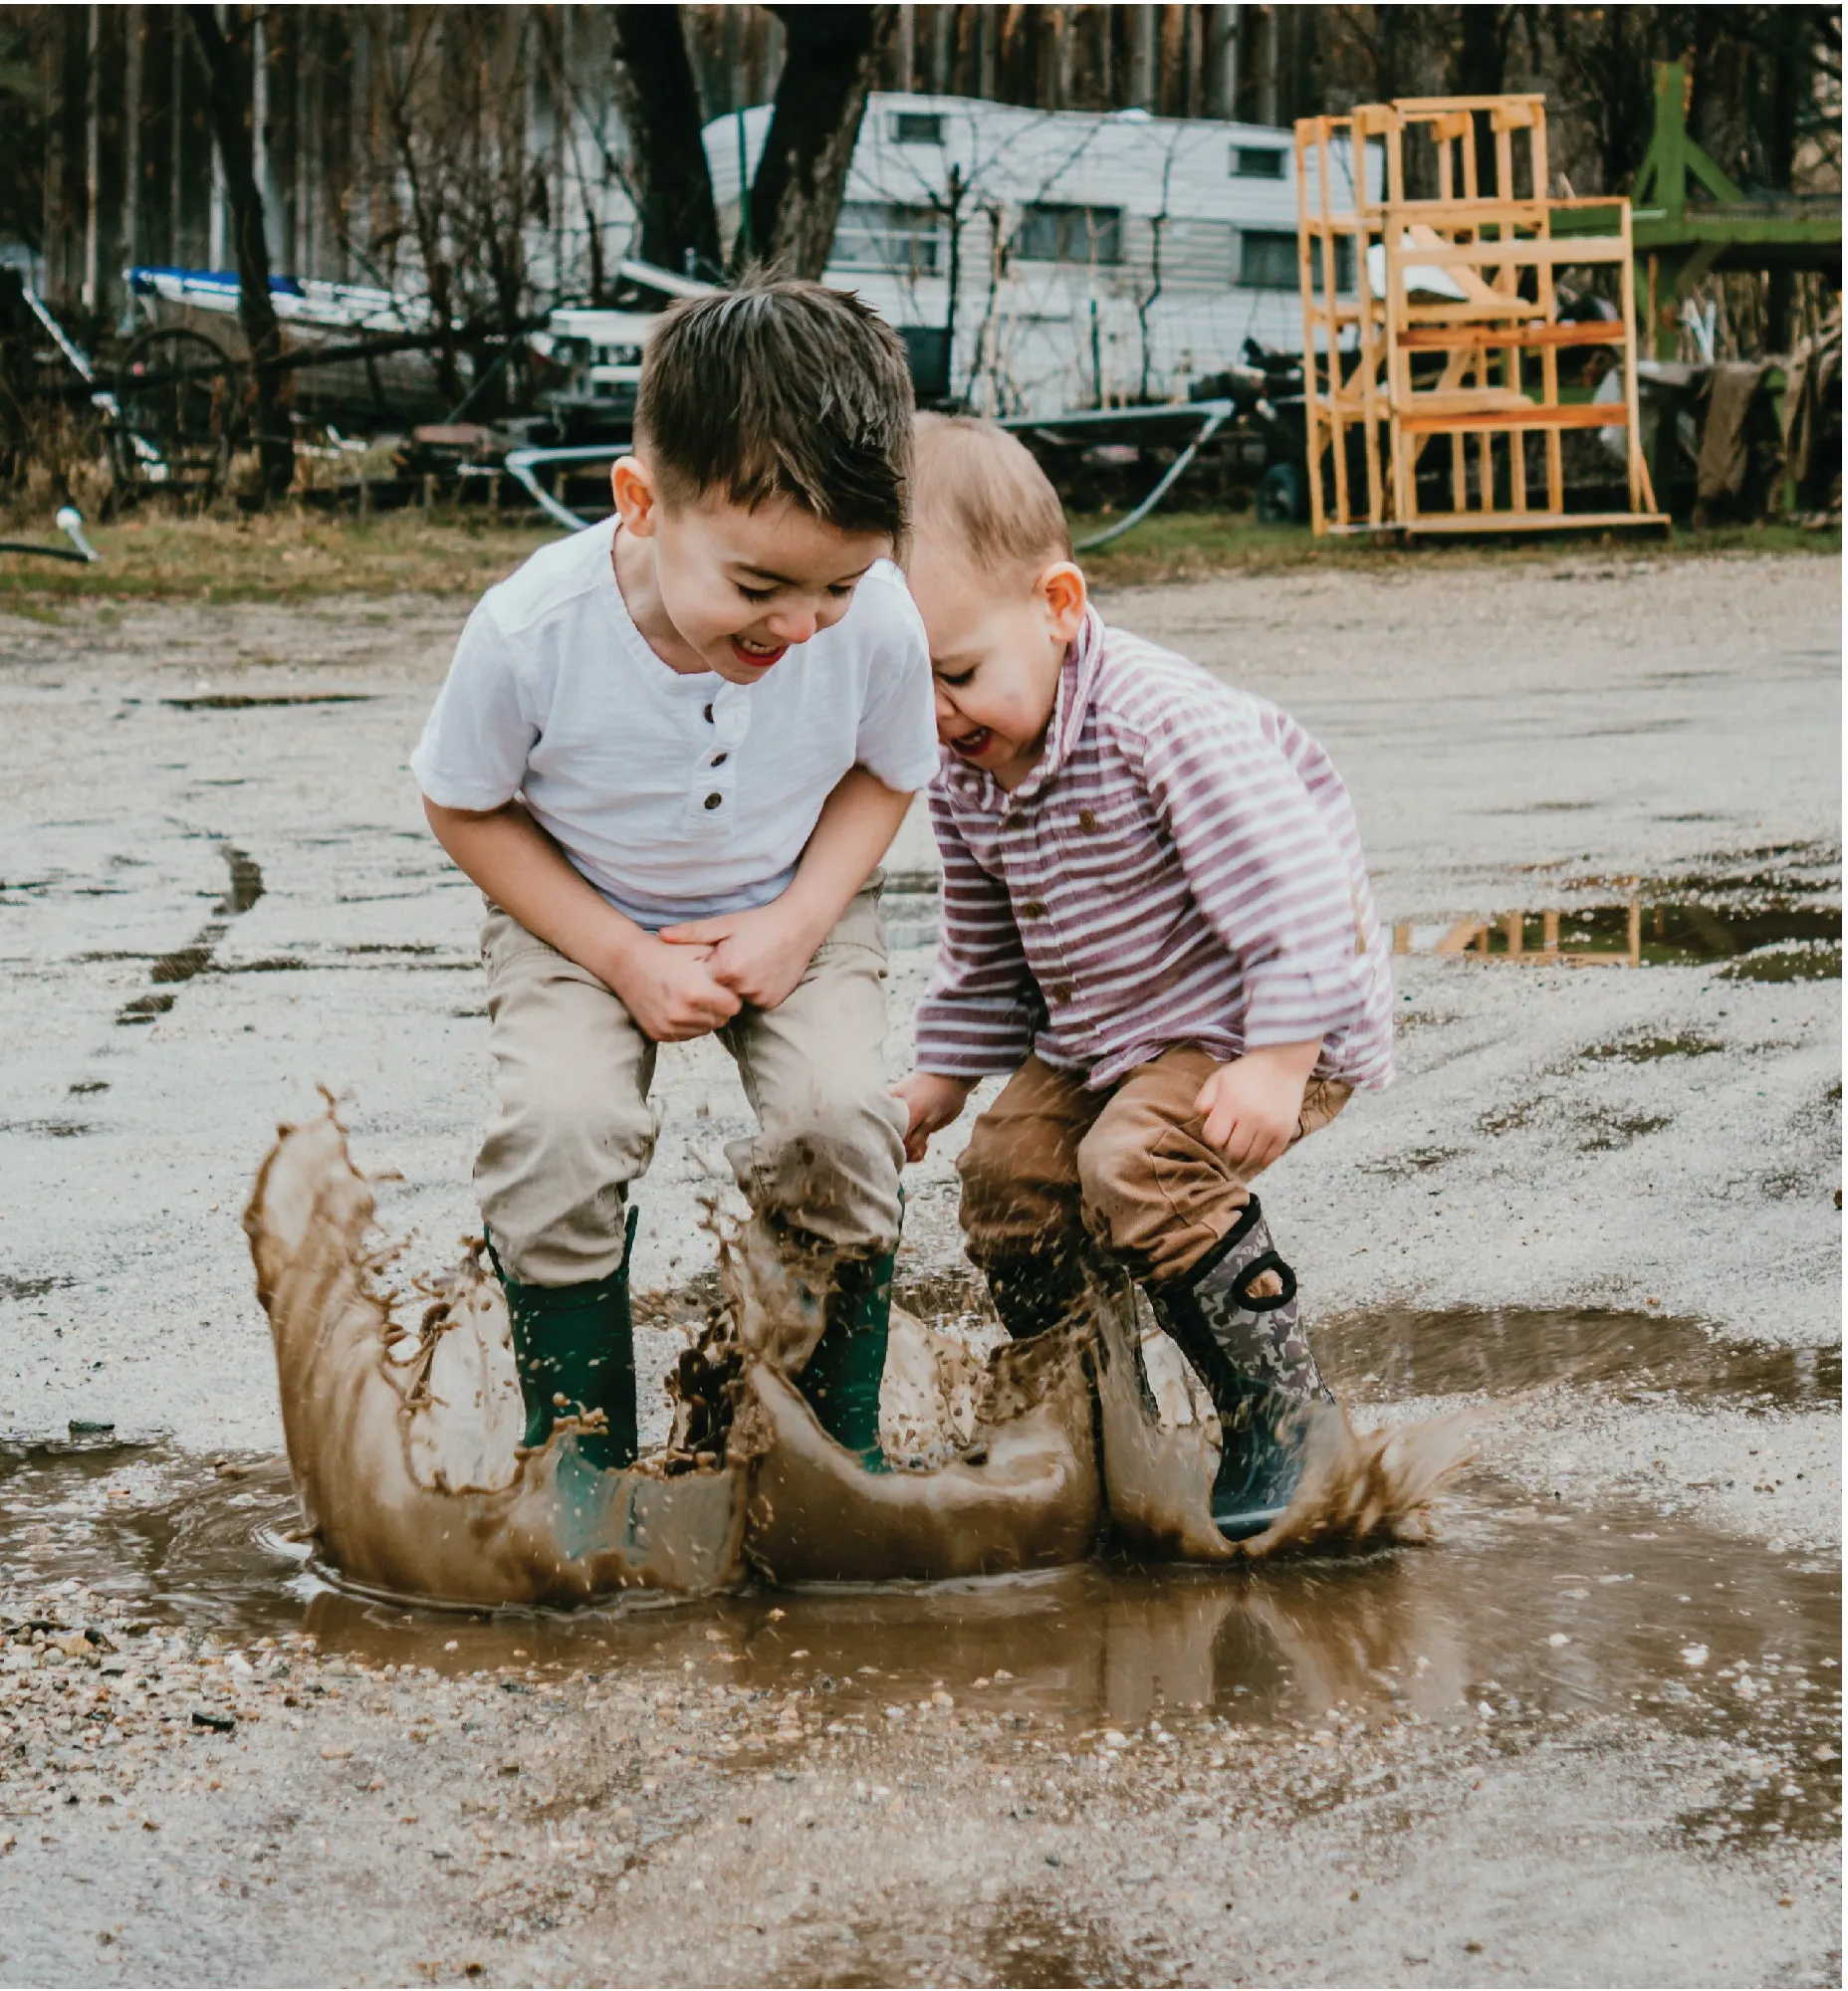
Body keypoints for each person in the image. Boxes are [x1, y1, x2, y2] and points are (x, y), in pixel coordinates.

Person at [411, 281, 937, 1473]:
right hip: (579, 913)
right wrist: (619, 955)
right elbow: (460, 801)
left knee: (840, 1123)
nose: (802, 625)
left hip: (793, 899)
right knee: (558, 1129)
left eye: (837, 587)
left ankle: (822, 1455)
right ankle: (581, 1466)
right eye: (758, 588)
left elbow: (886, 771)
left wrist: (802, 920)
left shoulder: (880, 624)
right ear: (641, 503)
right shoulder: (528, 631)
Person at [892, 416, 1393, 1539]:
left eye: (957, 672)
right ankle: (1081, 1417)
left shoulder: (1159, 722)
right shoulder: (964, 773)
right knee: (1009, 1181)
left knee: (1132, 1162)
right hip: (1106, 1031)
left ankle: (1285, 1411)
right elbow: (983, 954)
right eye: (899, 680)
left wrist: (1276, 1058)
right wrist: (937, 1079)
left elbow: (1297, 887)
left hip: (1257, 1017)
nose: (934, 710)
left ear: (1057, 607)